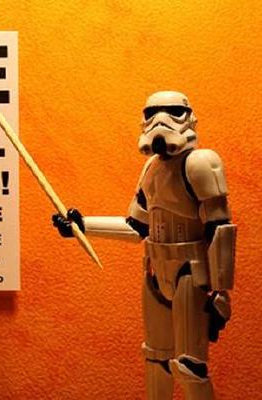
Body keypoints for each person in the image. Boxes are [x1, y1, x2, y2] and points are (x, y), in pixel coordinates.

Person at [52, 91, 236, 400]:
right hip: (154, 272)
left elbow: (220, 227)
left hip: (189, 274)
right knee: (155, 360)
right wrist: (82, 226)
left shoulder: (201, 163)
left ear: (189, 118)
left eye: (172, 111)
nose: (161, 121)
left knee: (190, 367)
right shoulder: (151, 168)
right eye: (153, 113)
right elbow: (136, 227)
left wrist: (221, 292)